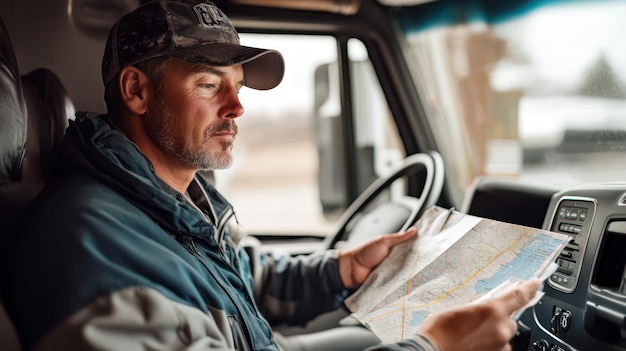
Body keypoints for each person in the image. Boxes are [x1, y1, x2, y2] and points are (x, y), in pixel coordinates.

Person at [5, 1, 541, 350]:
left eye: (239, 87)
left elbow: (244, 276)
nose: (238, 108)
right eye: (211, 85)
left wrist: (344, 270)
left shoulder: (173, 201)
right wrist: (433, 347)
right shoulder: (88, 245)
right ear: (136, 92)